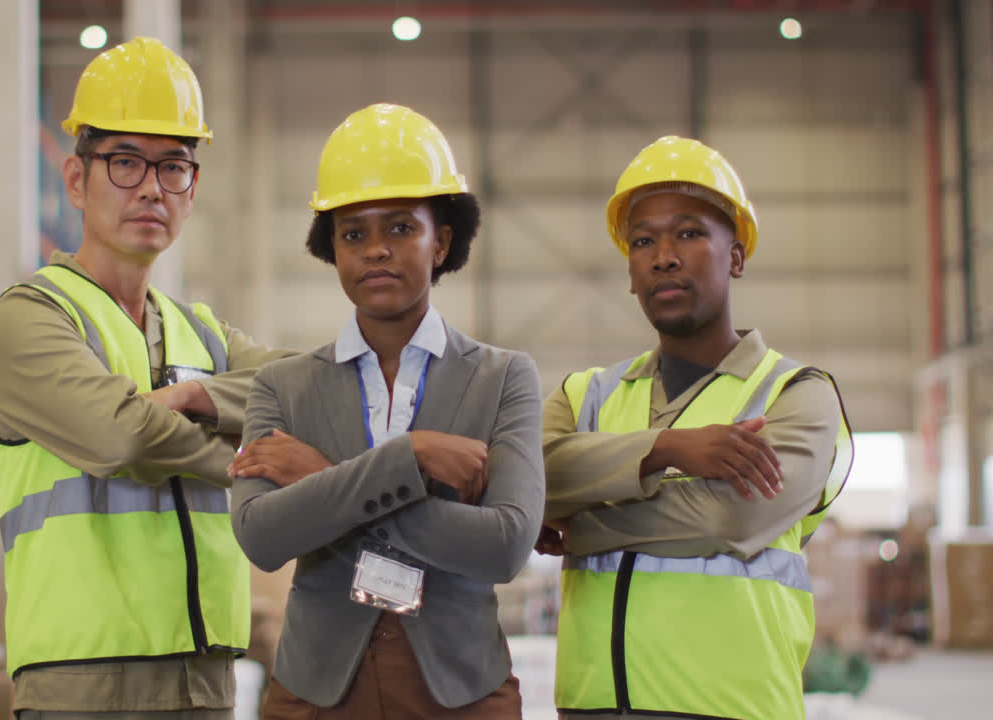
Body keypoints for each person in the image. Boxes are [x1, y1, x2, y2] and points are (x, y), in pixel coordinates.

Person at [0, 37, 292, 719]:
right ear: (77, 179)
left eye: (172, 167)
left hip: (205, 675)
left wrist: (197, 393)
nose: (150, 187)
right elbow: (121, 439)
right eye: (125, 162)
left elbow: (305, 389)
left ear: (192, 190)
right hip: (83, 678)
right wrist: (254, 457)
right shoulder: (30, 319)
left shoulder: (200, 333)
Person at [227, 103, 544, 719]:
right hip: (316, 689)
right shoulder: (280, 387)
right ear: (333, 250)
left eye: (401, 228)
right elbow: (262, 536)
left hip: (461, 689)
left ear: (442, 240)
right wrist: (412, 457)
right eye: (354, 233)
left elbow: (505, 545)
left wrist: (324, 479)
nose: (376, 250)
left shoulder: (505, 378)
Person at [539, 135, 853, 720]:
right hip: (592, 706)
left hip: (732, 706)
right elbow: (532, 483)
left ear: (735, 256)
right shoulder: (585, 395)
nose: (664, 255)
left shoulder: (797, 395)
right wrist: (666, 449)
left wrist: (578, 523)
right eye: (642, 241)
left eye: (688, 233)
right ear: (630, 272)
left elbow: (730, 516)